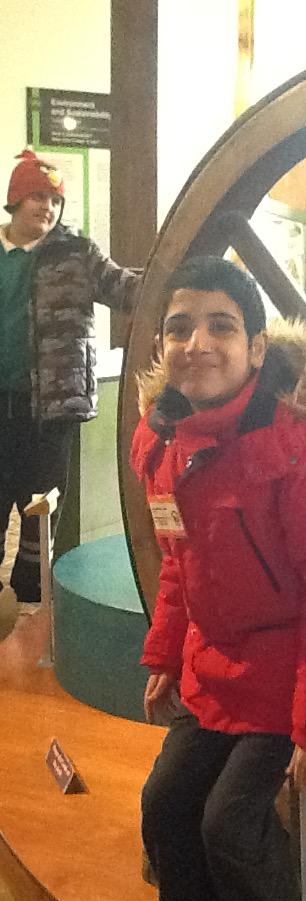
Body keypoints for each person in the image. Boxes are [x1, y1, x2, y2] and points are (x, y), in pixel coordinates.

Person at [131, 256, 306, 901]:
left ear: (257, 347)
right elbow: (179, 563)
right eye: (179, 328)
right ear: (162, 345)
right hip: (215, 669)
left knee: (230, 828)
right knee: (165, 805)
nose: (198, 344)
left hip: (291, 680)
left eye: (222, 326)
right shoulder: (163, 441)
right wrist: (165, 653)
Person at [0, 149, 139, 638]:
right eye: (38, 196)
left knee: (40, 510)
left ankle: (33, 609)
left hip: (51, 409)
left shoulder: (77, 253)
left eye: (55, 200)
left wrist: (180, 280)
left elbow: (126, 289)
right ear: (15, 200)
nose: (48, 207)